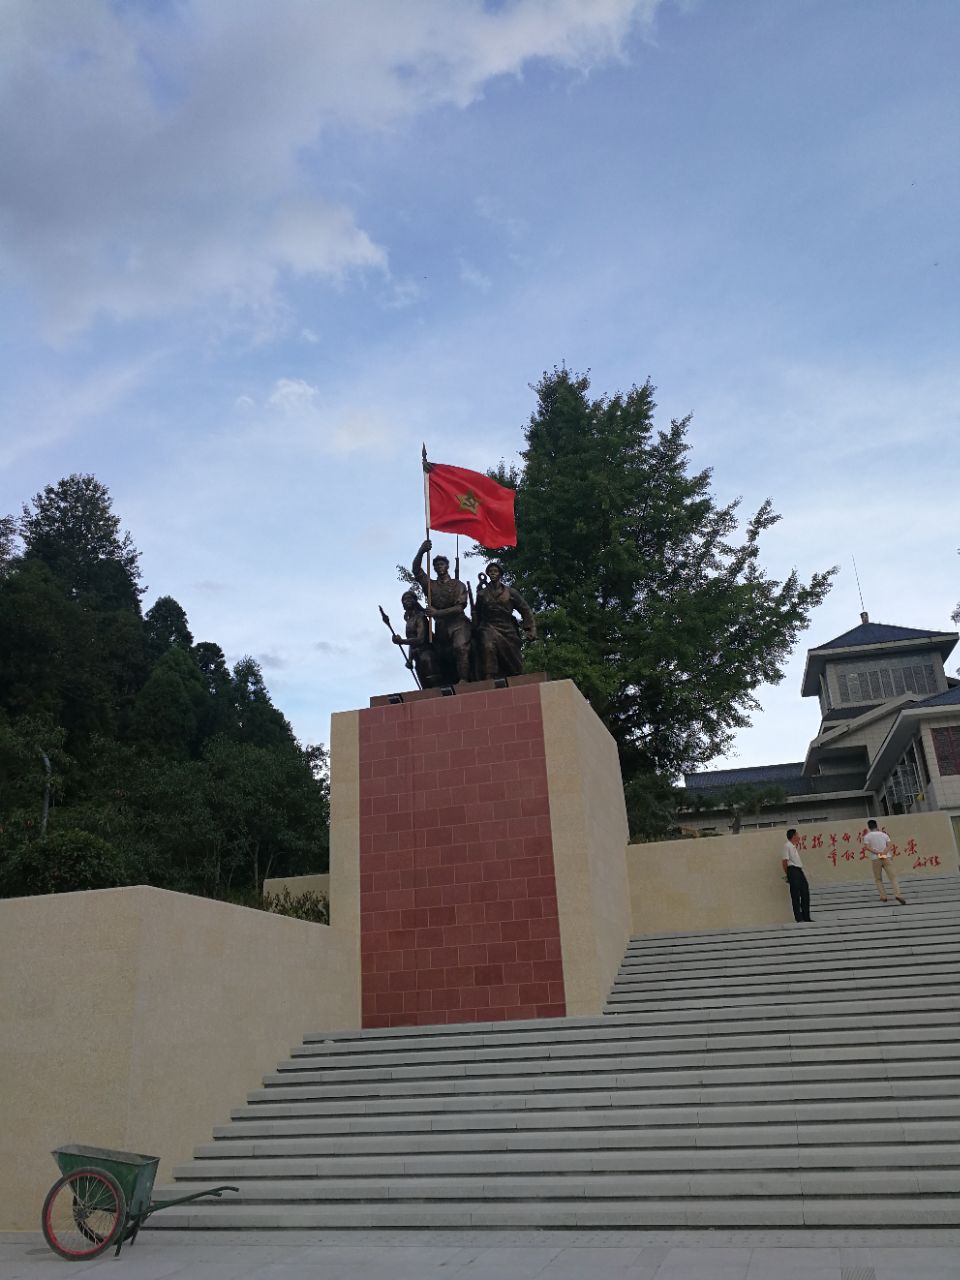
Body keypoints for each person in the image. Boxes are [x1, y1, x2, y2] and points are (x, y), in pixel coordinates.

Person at [412, 539, 472, 683]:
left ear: (447, 566)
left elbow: (459, 608)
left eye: (442, 564)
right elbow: (416, 570)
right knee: (436, 655)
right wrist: (421, 550)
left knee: (460, 647)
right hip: (441, 628)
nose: (439, 567)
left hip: (458, 625)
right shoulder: (431, 586)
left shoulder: (458, 585)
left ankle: (464, 680)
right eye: (437, 565)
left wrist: (437, 613)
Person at [473, 561, 537, 679]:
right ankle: (489, 676)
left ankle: (515, 674)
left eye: (495, 571)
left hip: (507, 627)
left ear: (500, 574)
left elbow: (525, 609)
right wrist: (475, 627)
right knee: (488, 646)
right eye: (490, 571)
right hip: (488, 626)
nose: (493, 574)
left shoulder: (511, 592)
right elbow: (476, 613)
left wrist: (530, 629)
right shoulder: (482, 594)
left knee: (513, 655)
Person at [394, 590, 439, 688]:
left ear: (415, 600)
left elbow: (420, 639)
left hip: (427, 654)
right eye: (404, 600)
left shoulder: (421, 617)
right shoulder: (409, 621)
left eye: (409, 598)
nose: (407, 601)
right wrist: (410, 659)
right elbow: (411, 642)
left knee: (434, 682)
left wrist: (402, 641)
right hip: (417, 657)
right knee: (424, 686)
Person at [861, 819, 906, 904]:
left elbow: (867, 847)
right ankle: (898, 895)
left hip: (875, 858)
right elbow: (889, 845)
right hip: (886, 857)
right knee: (893, 878)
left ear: (869, 827)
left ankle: (883, 896)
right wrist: (884, 852)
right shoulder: (883, 834)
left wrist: (878, 852)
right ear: (876, 825)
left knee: (878, 879)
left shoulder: (867, 836)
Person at [781, 828, 813, 923]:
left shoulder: (794, 847)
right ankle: (799, 918)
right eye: (797, 834)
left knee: (805, 893)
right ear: (793, 836)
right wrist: (788, 875)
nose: (799, 836)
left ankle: (806, 917)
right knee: (795, 895)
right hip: (792, 871)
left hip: (799, 870)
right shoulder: (787, 846)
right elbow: (784, 862)